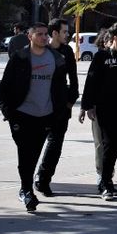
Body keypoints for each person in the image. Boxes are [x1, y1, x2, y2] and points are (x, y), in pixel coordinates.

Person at [0, 22, 71, 212]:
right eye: (39, 34)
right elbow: (5, 87)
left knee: (34, 153)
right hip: (22, 115)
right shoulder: (19, 57)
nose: (43, 37)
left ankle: (26, 188)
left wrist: (60, 111)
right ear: (30, 36)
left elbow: (61, 88)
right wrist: (8, 113)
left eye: (45, 34)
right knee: (25, 153)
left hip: (45, 115)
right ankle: (27, 189)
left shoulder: (56, 58)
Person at [79, 22, 117, 200]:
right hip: (106, 108)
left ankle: (106, 180)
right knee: (109, 144)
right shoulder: (101, 57)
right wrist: (87, 106)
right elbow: (91, 82)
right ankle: (105, 183)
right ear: (115, 37)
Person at [33, 19, 81, 197]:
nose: (67, 35)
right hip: (39, 106)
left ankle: (43, 179)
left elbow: (74, 80)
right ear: (54, 33)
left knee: (55, 144)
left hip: (60, 106)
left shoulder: (67, 51)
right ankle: (27, 181)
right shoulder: (40, 50)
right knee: (35, 144)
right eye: (64, 32)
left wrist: (70, 102)